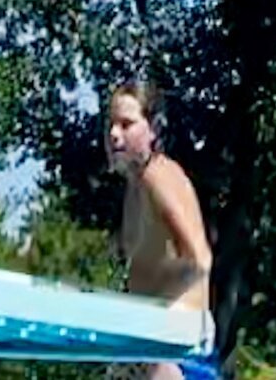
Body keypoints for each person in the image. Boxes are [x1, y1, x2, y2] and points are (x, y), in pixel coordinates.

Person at [103, 77, 212, 379]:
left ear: (152, 129)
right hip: (156, 348)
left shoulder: (158, 177)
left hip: (178, 352)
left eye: (126, 124)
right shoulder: (134, 187)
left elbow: (201, 260)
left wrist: (158, 324)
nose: (113, 134)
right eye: (111, 124)